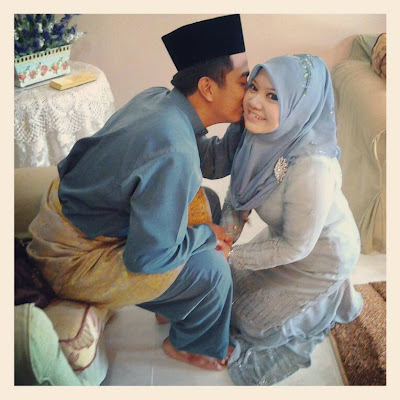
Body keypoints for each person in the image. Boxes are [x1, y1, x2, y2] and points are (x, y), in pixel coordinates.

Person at [26, 14, 249, 372]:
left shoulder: (161, 101)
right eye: (244, 82)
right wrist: (207, 236)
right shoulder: (172, 147)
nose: (249, 92)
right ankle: (191, 346)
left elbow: (210, 159)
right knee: (212, 269)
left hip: (72, 219)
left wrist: (249, 121)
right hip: (72, 258)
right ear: (208, 88)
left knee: (206, 202)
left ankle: (171, 303)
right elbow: (147, 259)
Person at [219, 54, 363, 385]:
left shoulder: (312, 167)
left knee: (251, 324)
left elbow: (296, 247)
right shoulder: (257, 136)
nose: (254, 102)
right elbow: (238, 197)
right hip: (285, 237)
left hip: (319, 256)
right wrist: (226, 237)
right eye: (253, 87)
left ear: (299, 106)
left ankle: (320, 313)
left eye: (273, 96)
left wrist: (231, 254)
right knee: (227, 295)